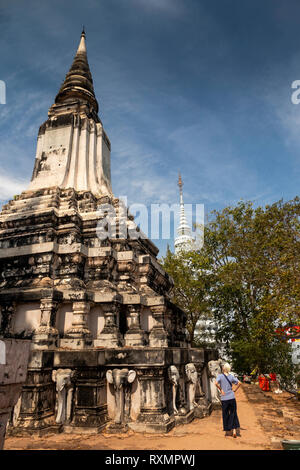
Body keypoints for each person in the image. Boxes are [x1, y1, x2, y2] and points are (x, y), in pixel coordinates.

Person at [215, 363, 241, 438]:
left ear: (224, 368)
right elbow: (239, 383)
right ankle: (234, 430)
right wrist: (235, 390)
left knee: (225, 414)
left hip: (224, 398)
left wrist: (221, 390)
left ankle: (228, 430)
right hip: (232, 397)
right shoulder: (231, 376)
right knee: (233, 413)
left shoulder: (220, 376)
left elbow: (216, 383)